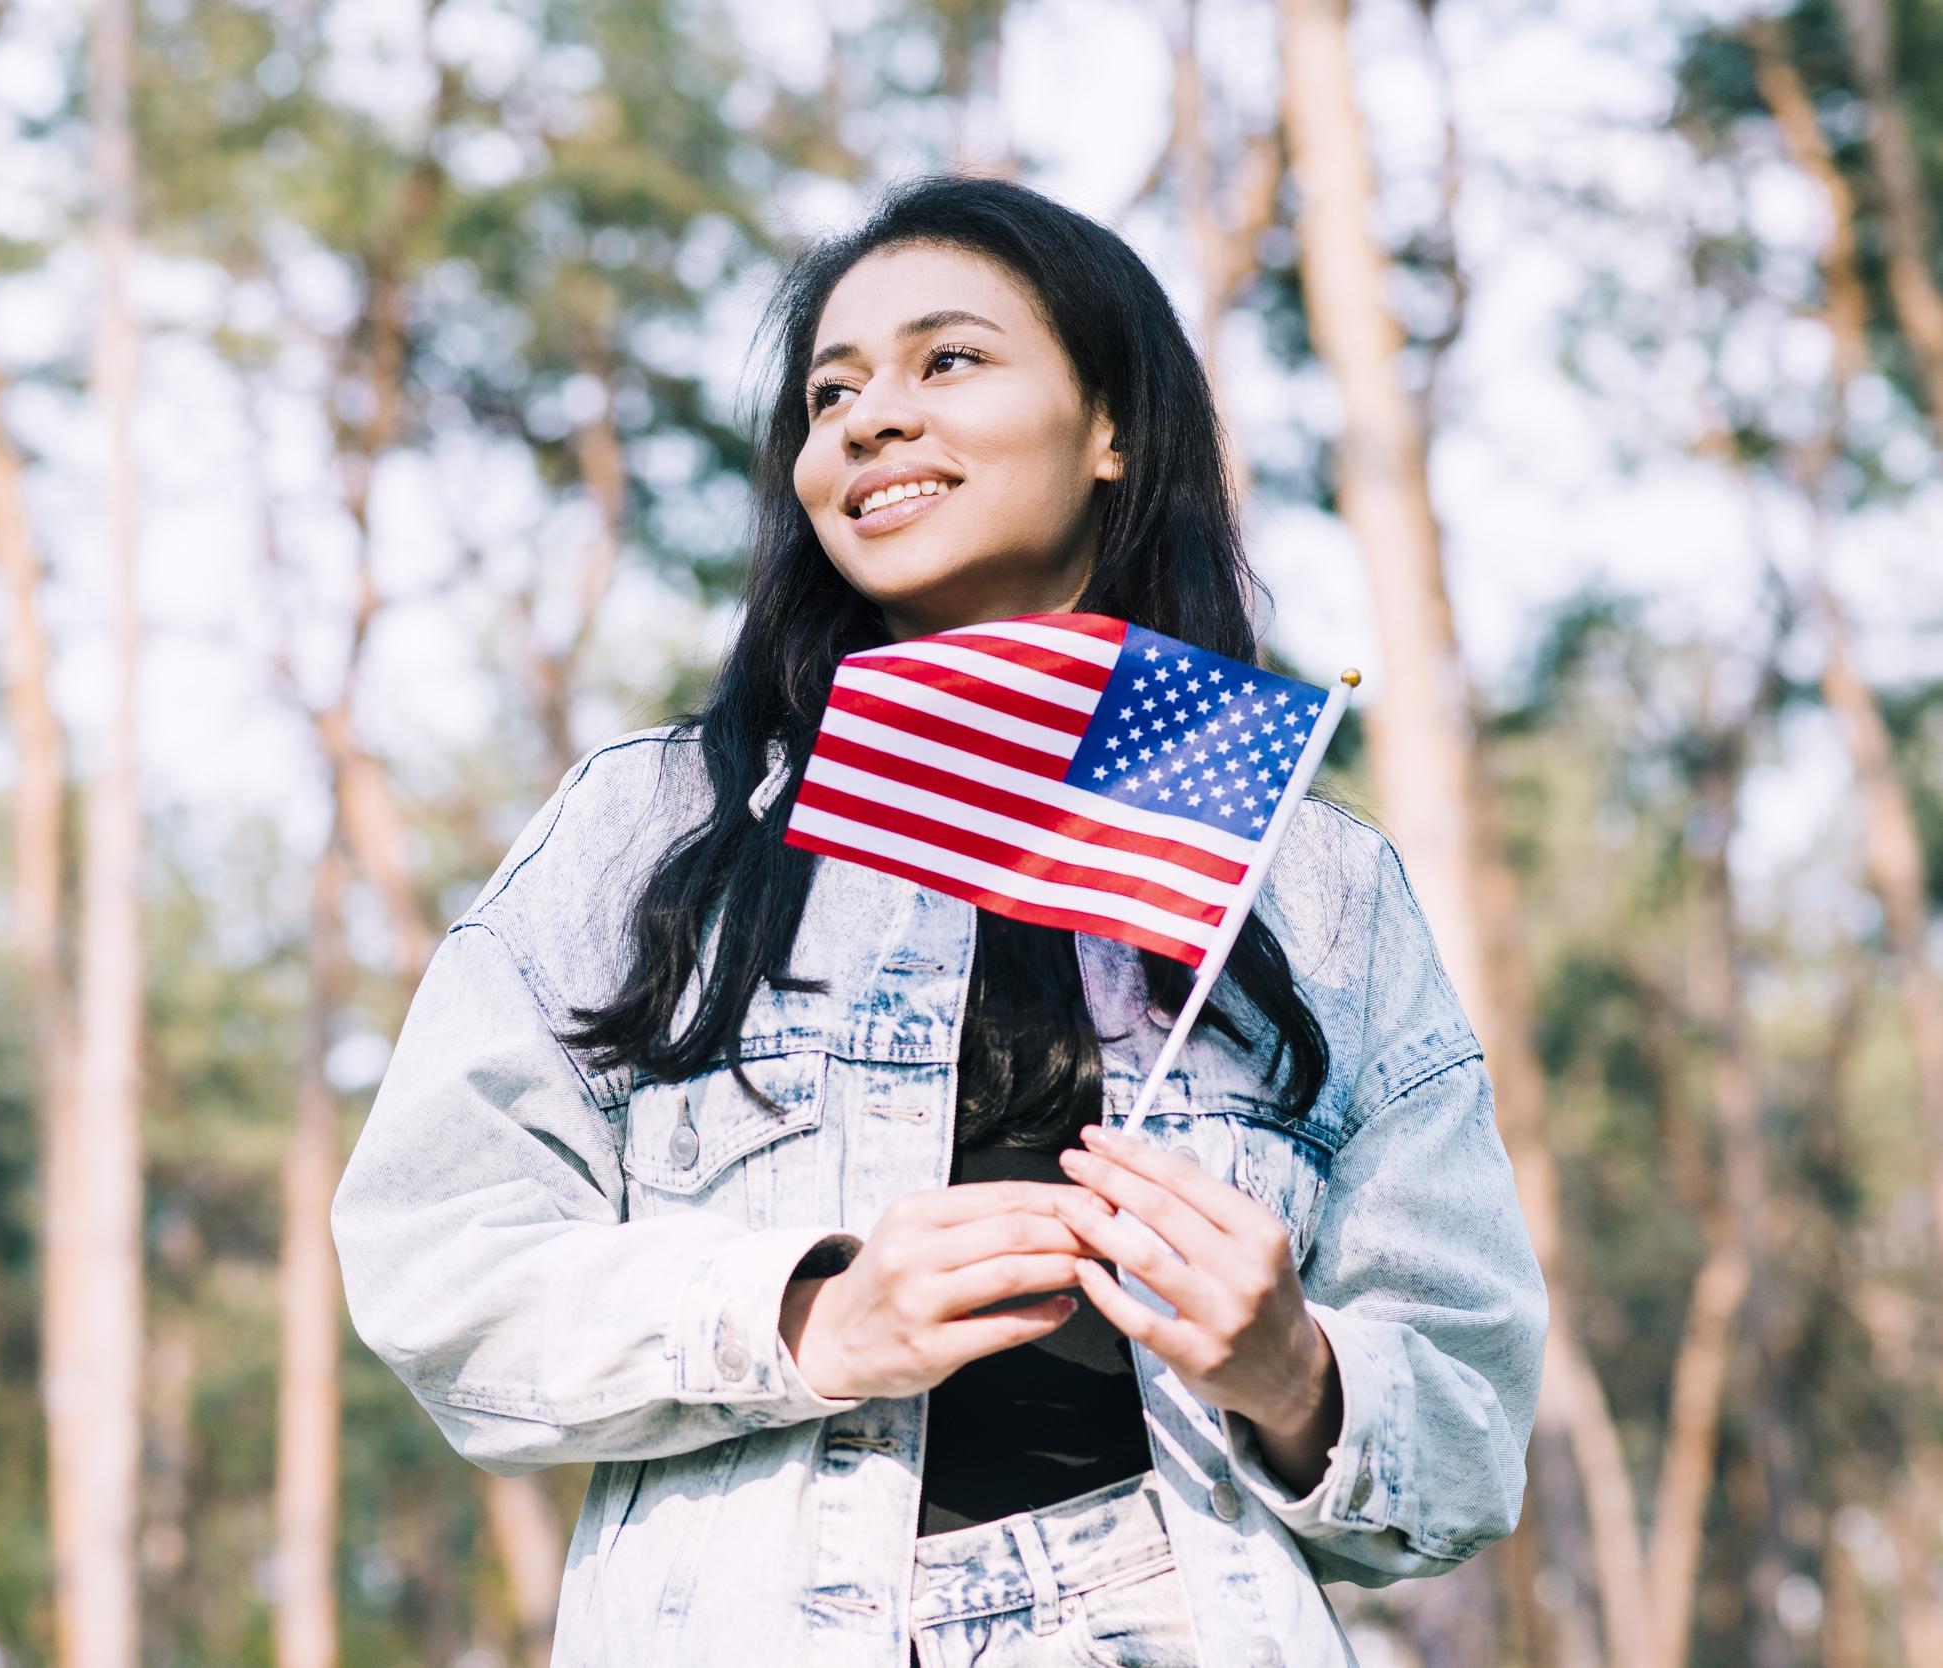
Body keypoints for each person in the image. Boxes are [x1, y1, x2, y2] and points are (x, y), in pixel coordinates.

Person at [330, 171, 1548, 1668]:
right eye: (828, 394)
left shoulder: (1309, 882)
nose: (867, 419)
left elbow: (1474, 1436)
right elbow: (435, 1259)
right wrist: (808, 1320)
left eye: (946, 360)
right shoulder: (655, 828)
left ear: (1111, 429)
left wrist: (1293, 1368)